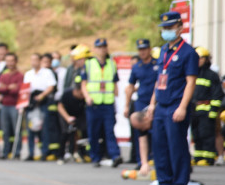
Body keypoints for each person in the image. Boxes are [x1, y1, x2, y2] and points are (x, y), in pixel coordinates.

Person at [146, 11, 199, 185]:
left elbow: (190, 82)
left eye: (170, 27)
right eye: (164, 28)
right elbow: (159, 79)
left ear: (180, 27)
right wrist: (152, 104)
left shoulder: (188, 52)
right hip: (161, 105)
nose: (166, 31)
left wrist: (183, 107)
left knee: (177, 145)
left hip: (176, 104)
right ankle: (164, 181)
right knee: (159, 145)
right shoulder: (162, 50)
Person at [81, 38, 122, 168]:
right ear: (95, 49)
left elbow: (115, 83)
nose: (102, 49)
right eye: (99, 47)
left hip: (108, 102)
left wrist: (117, 98)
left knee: (110, 131)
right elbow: (83, 84)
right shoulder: (89, 64)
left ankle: (115, 156)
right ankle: (95, 157)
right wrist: (87, 97)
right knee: (94, 132)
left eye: (104, 47)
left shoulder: (112, 63)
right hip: (94, 103)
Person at [124, 39, 157, 175]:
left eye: (144, 49)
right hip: (141, 102)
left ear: (149, 49)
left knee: (156, 131)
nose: (142, 52)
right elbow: (130, 86)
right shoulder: (136, 66)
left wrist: (153, 104)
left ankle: (156, 159)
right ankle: (142, 161)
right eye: (140, 50)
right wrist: (127, 105)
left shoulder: (157, 63)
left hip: (156, 102)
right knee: (140, 133)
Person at [190, 47, 224, 166]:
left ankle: (209, 158)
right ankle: (198, 156)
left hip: (206, 110)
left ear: (206, 59)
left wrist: (213, 111)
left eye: (201, 58)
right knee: (196, 134)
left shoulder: (212, 75)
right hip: (194, 110)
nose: (198, 60)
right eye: (197, 58)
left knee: (207, 134)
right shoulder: (192, 74)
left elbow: (217, 94)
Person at [24, 53, 56, 160]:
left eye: (36, 60)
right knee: (31, 128)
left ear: (40, 61)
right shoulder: (28, 74)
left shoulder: (47, 72)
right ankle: (31, 153)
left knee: (44, 128)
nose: (34, 62)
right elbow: (25, 89)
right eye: (32, 60)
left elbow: (51, 86)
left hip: (43, 101)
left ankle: (44, 152)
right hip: (32, 103)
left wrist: (42, 95)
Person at [0, 53, 24, 159]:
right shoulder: (3, 76)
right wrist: (10, 87)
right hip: (4, 106)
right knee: (5, 130)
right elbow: (0, 89)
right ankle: (5, 151)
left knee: (16, 130)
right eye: (7, 61)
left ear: (16, 61)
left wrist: (6, 88)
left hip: (15, 106)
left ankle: (16, 152)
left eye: (11, 60)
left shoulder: (20, 76)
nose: (10, 63)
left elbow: (17, 90)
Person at [57, 85, 87, 162]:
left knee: (82, 131)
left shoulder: (84, 97)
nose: (83, 97)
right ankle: (61, 155)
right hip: (65, 114)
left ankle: (80, 153)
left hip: (78, 114)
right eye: (81, 94)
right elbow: (60, 107)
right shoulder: (67, 94)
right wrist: (67, 118)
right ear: (76, 91)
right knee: (65, 132)